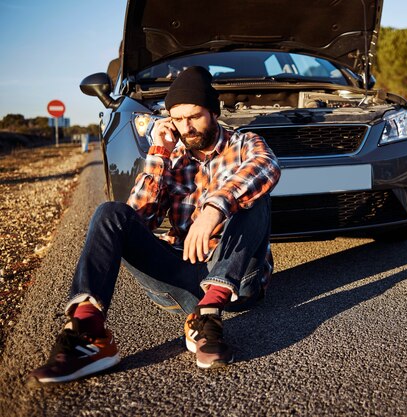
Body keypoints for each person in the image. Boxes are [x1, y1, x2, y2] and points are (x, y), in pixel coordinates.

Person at [29, 66, 281, 383]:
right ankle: (88, 334)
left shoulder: (244, 144)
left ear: (214, 112)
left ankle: (208, 316)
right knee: (111, 213)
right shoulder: (171, 155)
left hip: (237, 282)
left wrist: (215, 207)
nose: (186, 127)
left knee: (255, 197)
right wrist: (159, 154)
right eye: (177, 119)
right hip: (181, 277)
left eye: (194, 116)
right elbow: (138, 220)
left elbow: (267, 166)